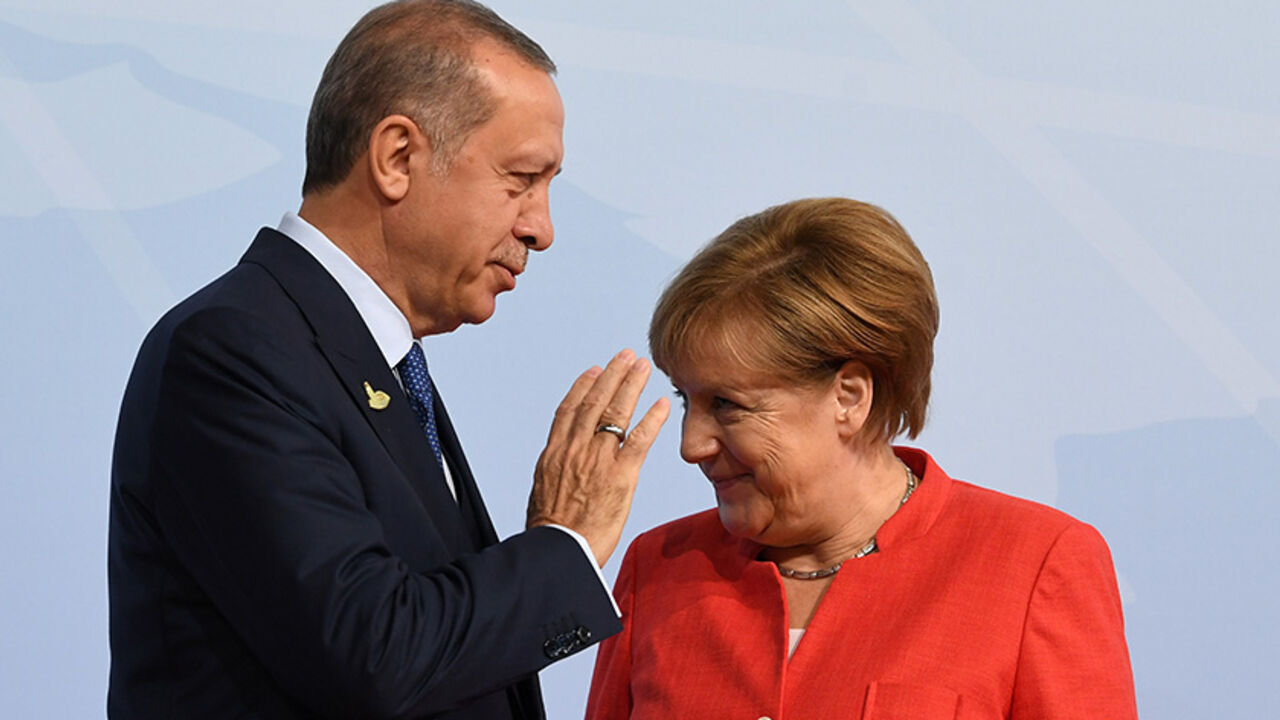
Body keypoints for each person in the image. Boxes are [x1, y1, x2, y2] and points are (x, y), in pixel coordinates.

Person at [108, 2, 669, 718]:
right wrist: (566, 544)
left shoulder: (376, 360)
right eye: (522, 179)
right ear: (398, 157)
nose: (542, 227)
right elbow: (375, 652)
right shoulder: (233, 351)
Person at [585, 198, 1137, 719]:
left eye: (727, 405)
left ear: (849, 397)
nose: (691, 445)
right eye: (687, 399)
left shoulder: (1036, 564)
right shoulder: (657, 568)